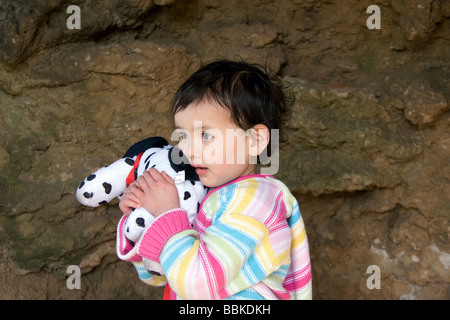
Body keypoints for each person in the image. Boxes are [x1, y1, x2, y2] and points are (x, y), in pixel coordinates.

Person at [118, 60, 312, 300]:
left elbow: (196, 284)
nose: (187, 151)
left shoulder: (253, 201)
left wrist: (168, 212)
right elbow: (160, 275)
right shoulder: (205, 194)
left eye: (205, 135)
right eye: (182, 136)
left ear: (254, 140)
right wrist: (142, 218)